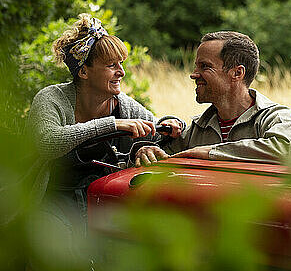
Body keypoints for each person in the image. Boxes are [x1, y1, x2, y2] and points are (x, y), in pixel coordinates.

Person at [26, 14, 183, 223]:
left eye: (121, 64)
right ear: (83, 71)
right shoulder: (51, 99)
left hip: (100, 201)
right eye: (111, 65)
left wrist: (170, 124)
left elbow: (154, 128)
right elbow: (48, 142)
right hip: (48, 200)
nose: (122, 72)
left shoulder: (123, 105)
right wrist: (112, 125)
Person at [134, 31, 291, 167]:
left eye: (205, 66)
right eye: (196, 66)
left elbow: (285, 151)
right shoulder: (197, 128)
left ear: (237, 73)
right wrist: (146, 151)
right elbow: (159, 159)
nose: (193, 74)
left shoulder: (275, 117)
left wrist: (210, 153)